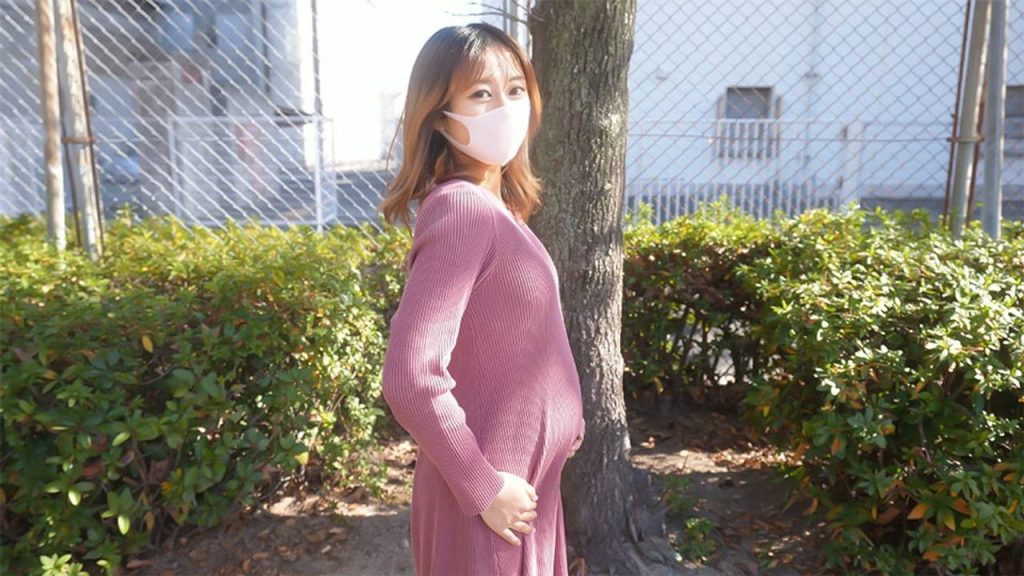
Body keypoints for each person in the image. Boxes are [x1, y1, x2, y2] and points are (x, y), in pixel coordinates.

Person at [378, 22, 586, 576]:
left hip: (521, 496)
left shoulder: (501, 213)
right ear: (440, 117)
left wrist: (565, 419)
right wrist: (483, 485)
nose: (505, 108)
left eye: (515, 89)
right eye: (481, 94)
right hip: (491, 505)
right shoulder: (463, 210)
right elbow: (409, 377)